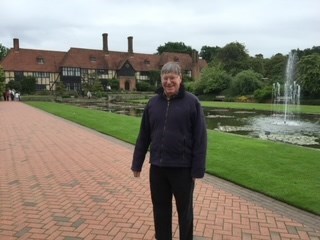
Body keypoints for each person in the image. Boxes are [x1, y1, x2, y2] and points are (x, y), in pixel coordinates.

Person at [131, 61, 207, 240]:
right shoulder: (153, 104)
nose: (168, 82)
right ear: (161, 80)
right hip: (158, 168)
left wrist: (197, 169)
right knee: (160, 209)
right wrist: (137, 164)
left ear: (180, 79)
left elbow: (200, 138)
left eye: (172, 78)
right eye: (165, 78)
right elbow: (144, 136)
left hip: (182, 169)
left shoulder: (192, 102)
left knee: (185, 212)